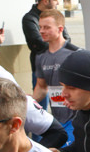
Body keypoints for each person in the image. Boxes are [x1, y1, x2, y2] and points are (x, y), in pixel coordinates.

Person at [32, 9, 79, 142]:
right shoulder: (41, 57)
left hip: (75, 119)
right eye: (40, 27)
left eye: (47, 27)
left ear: (60, 29)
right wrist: (29, 103)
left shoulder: (75, 54)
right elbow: (41, 87)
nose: (41, 31)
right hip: (56, 119)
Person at [22, 0, 72, 85]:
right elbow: (38, 43)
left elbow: (67, 38)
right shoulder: (30, 18)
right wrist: (58, 43)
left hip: (60, 67)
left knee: (60, 98)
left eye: (47, 27)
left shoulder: (56, 15)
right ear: (45, 1)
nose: (58, 2)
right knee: (42, 98)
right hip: (41, 69)